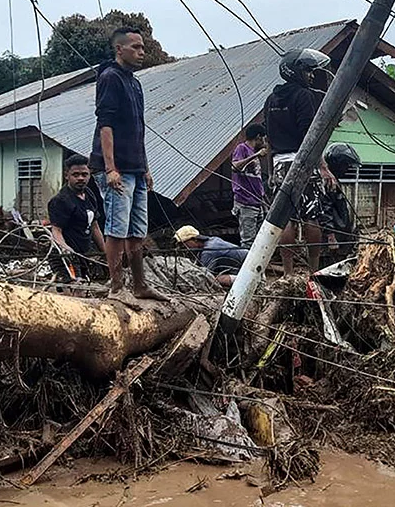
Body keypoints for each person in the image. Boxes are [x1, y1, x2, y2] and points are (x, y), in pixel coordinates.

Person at [89, 26, 167, 301]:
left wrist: (145, 167)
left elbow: (139, 129)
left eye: (143, 48)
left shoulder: (135, 83)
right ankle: (117, 288)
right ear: (119, 49)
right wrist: (110, 169)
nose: (142, 52)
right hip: (116, 169)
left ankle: (140, 285)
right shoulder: (110, 78)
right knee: (117, 229)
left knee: (137, 231)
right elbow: (105, 125)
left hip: (135, 167)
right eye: (136, 47)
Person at [264, 48, 337, 276]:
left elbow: (269, 140)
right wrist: (323, 167)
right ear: (296, 72)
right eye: (307, 71)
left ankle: (288, 273)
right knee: (311, 216)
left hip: (279, 164)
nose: (311, 76)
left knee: (284, 219)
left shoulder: (271, 99)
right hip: (302, 162)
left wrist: (270, 172)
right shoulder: (303, 96)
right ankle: (313, 270)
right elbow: (310, 136)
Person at [48, 154, 106, 282]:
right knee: (73, 290)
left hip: (83, 253)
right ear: (67, 175)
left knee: (85, 287)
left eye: (84, 174)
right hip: (65, 256)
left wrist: (106, 252)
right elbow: (56, 231)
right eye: (76, 175)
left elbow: (95, 227)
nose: (80, 178)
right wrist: (65, 249)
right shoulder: (60, 201)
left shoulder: (89, 195)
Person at [318, 143, 361, 260]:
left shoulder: (335, 181)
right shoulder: (327, 183)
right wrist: (330, 236)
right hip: (331, 243)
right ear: (337, 164)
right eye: (345, 165)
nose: (347, 169)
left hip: (341, 239)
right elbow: (324, 210)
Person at [174, 225, 248, 287]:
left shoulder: (208, 252)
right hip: (246, 263)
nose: (184, 249)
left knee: (214, 280)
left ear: (194, 239)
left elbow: (205, 276)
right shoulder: (212, 240)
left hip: (250, 271)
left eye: (184, 245)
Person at [231, 123, 267, 248]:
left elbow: (257, 181)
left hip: (257, 203)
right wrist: (256, 155)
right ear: (258, 137)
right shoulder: (242, 148)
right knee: (248, 241)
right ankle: (245, 266)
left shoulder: (253, 152)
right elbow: (235, 166)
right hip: (245, 202)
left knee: (260, 240)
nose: (264, 142)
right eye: (263, 138)